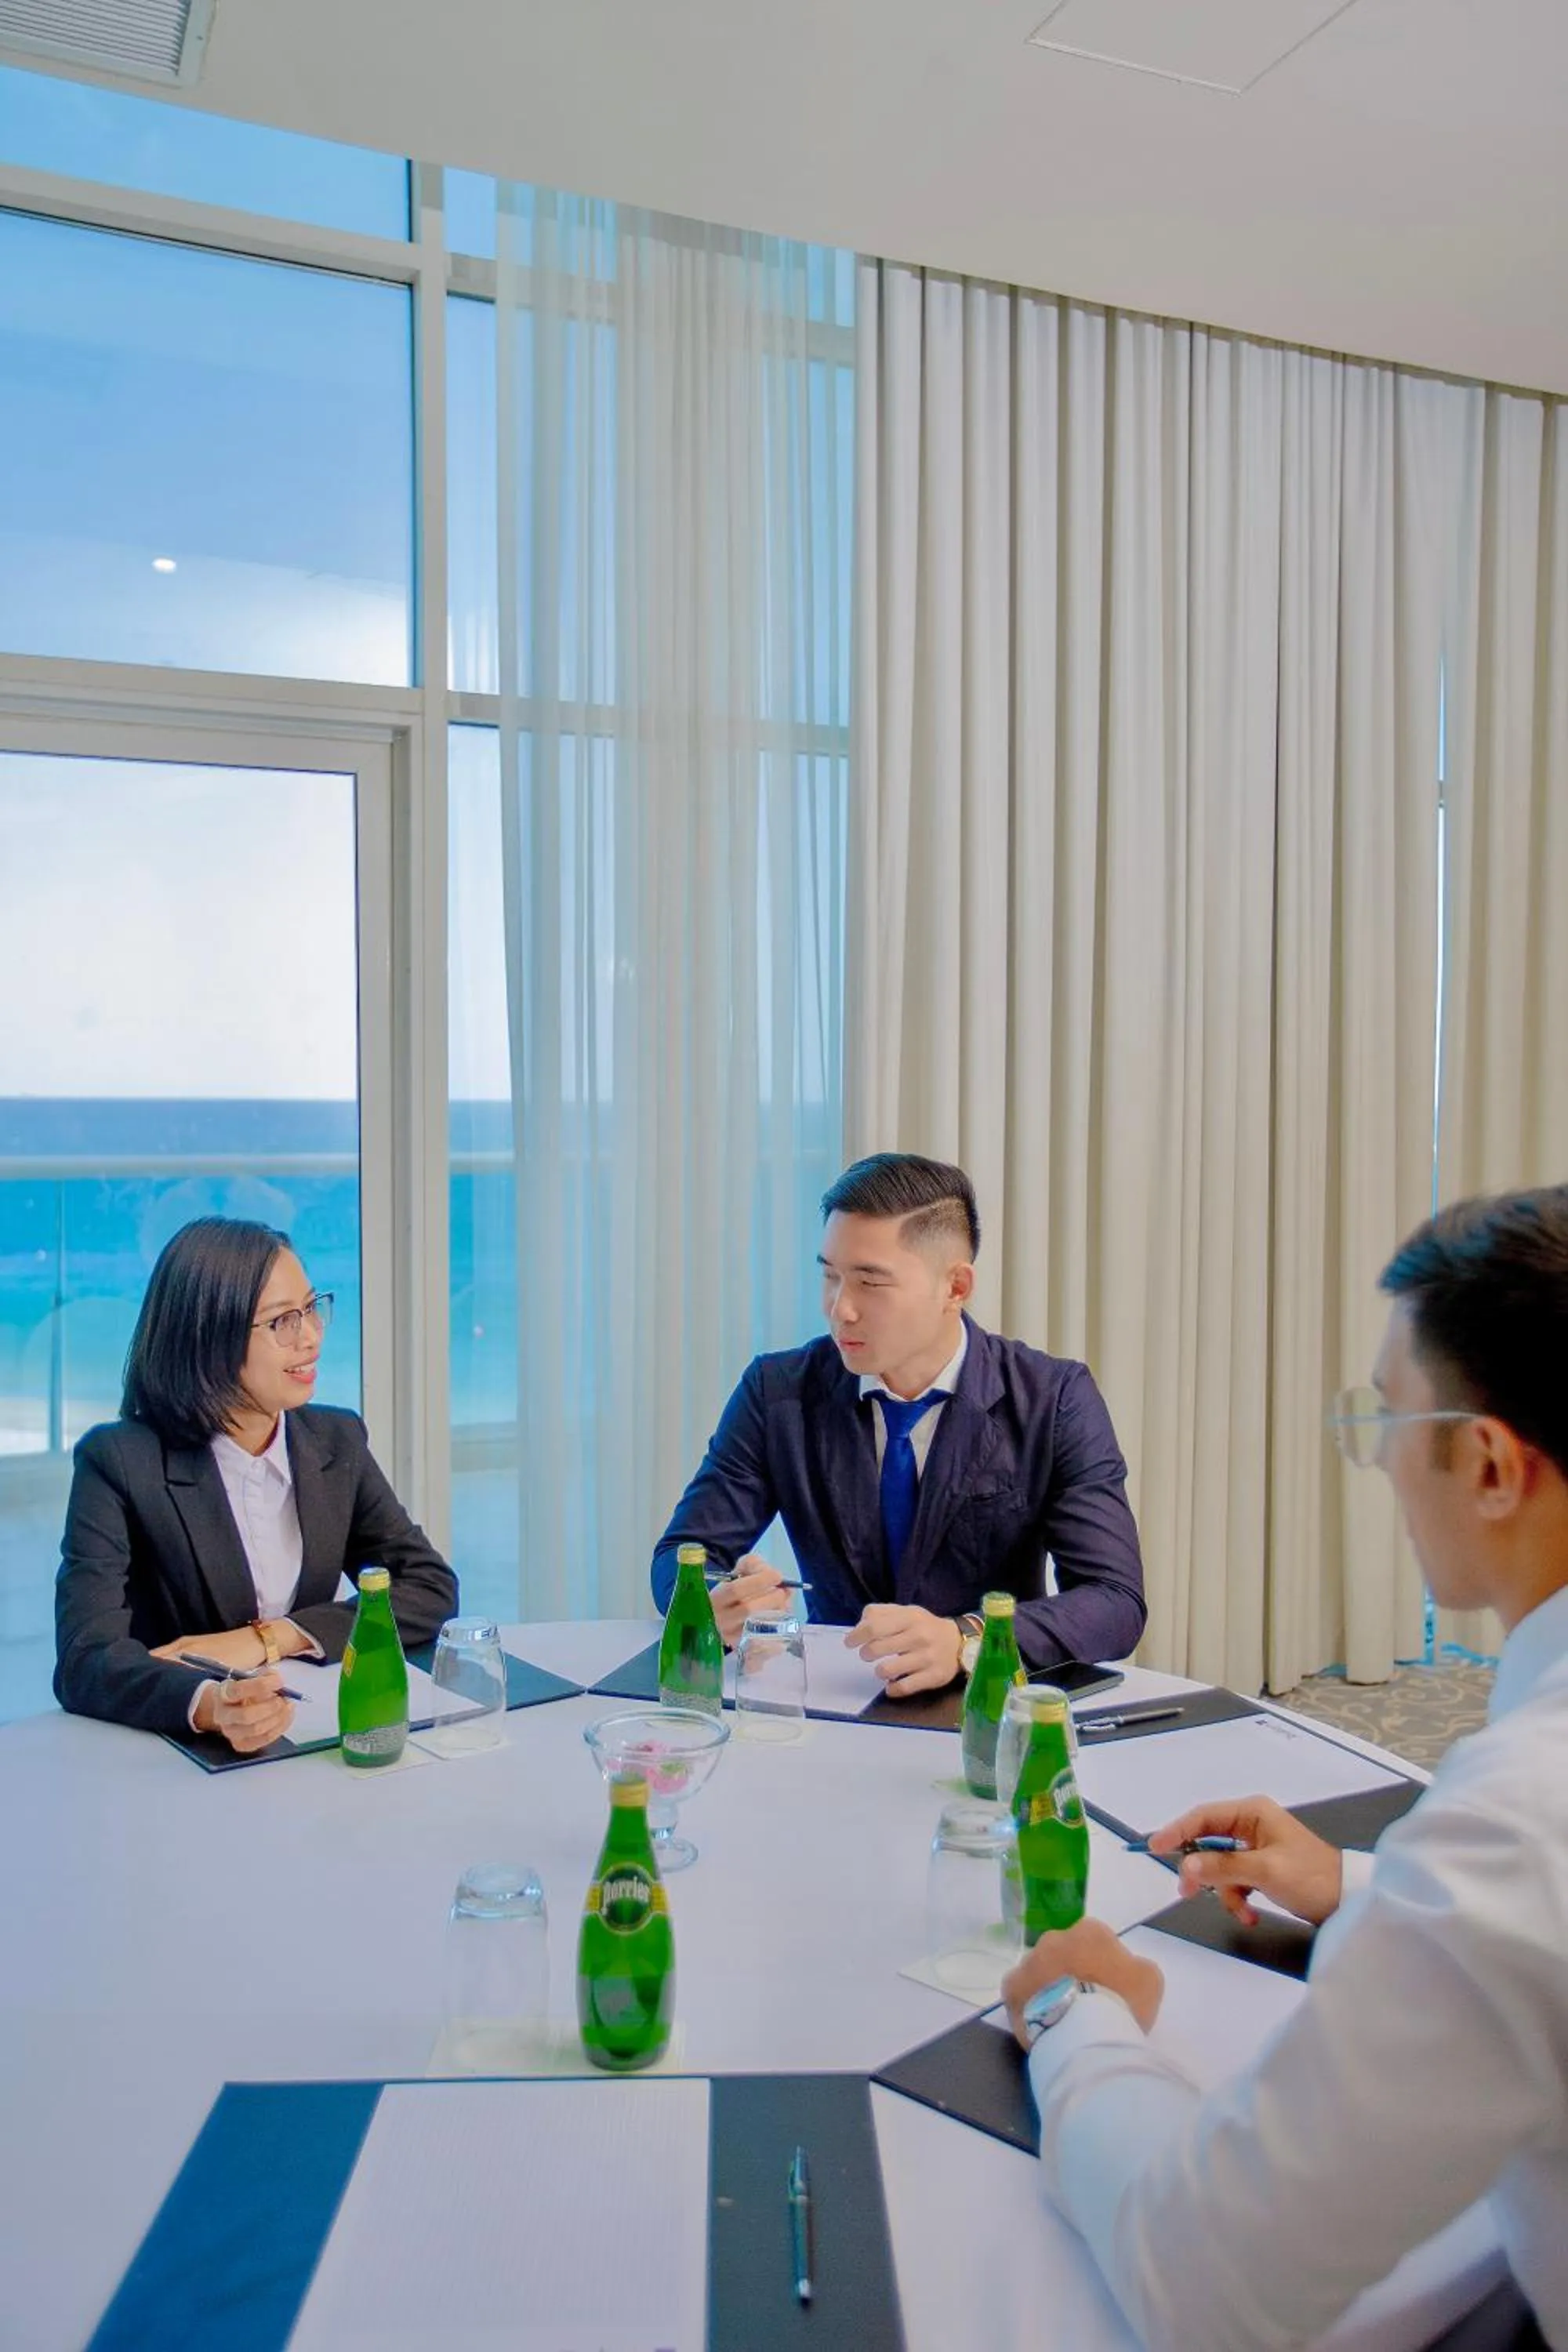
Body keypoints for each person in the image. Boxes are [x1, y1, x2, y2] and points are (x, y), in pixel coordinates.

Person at [1002, 1183, 1568, 2350]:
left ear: (1494, 1467)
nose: (1377, 1470)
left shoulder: (1519, 1824)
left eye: (1389, 1427)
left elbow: (1202, 2280)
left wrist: (1082, 2020)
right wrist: (1360, 1891)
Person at [650, 1153, 1145, 1693]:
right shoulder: (778, 1391)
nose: (841, 1309)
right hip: (834, 1697)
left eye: (870, 1283)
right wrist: (712, 1598)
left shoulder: (1053, 1398)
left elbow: (1114, 1601)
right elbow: (680, 1555)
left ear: (955, 1288)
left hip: (989, 1703)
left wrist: (967, 1640)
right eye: (831, 1276)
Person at [55, 1217, 458, 1754]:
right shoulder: (120, 1461)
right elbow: (87, 1658)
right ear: (208, 1335)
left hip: (308, 1735)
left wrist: (269, 1639)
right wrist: (207, 1703)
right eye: (282, 1321)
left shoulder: (334, 1440)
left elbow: (429, 1586)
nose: (311, 1335)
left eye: (313, 1308)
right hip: (170, 1760)